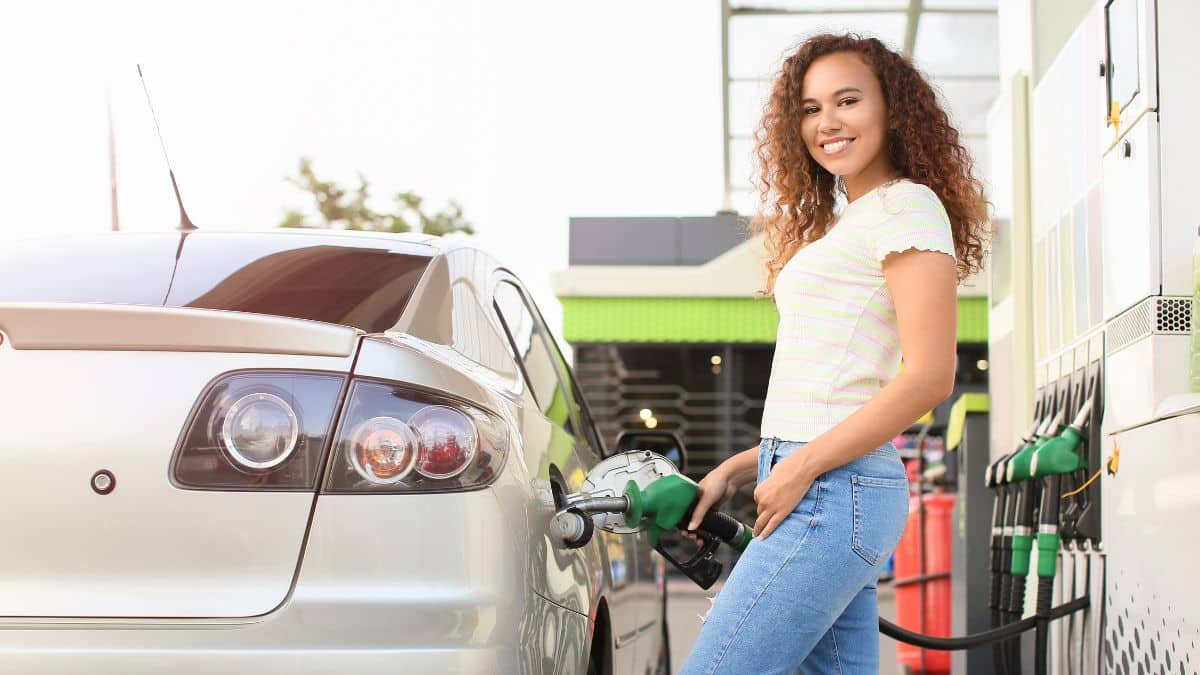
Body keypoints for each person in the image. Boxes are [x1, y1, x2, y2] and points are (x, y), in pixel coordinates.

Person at [679, 33, 989, 674]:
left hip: (829, 490)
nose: (827, 123)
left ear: (892, 110)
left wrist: (797, 469)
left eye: (847, 100)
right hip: (816, 479)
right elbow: (836, 387)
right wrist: (745, 467)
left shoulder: (906, 206)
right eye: (811, 108)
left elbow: (931, 376)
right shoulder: (855, 219)